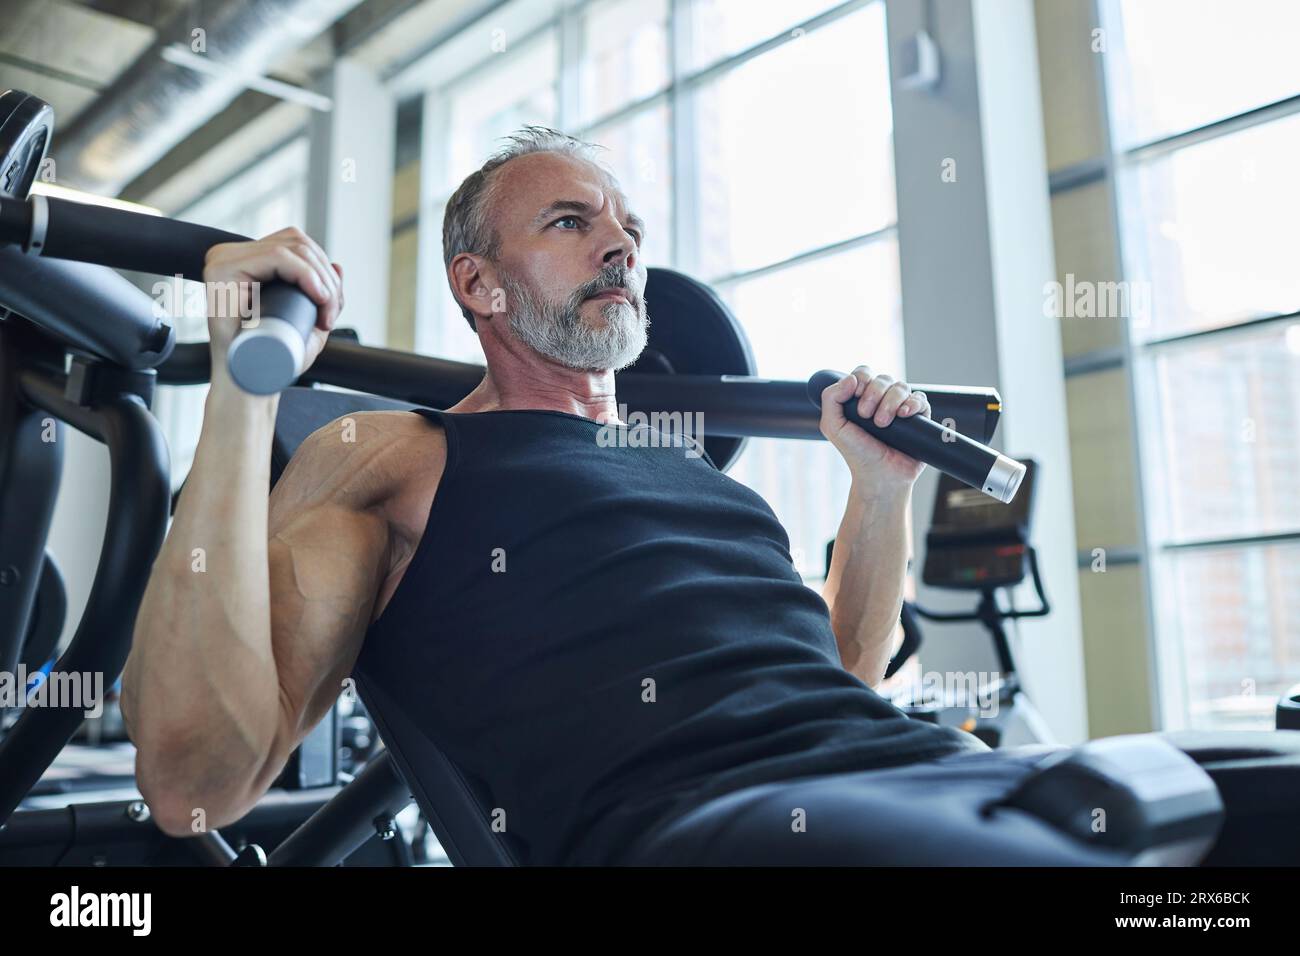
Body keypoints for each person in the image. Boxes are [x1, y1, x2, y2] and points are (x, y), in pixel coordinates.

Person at [118, 127, 1118, 866]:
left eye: (627, 227)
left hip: (910, 777)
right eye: (571, 220)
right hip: (721, 827)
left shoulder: (699, 481)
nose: (621, 245)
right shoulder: (400, 455)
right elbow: (193, 780)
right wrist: (246, 388)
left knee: (1223, 811)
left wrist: (879, 488)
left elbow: (841, 677)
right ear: (481, 285)